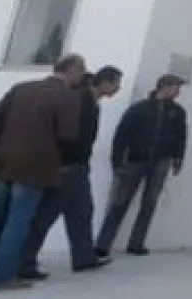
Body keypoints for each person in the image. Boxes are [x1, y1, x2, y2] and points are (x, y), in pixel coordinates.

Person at [0, 54, 86, 291]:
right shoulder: (69, 98)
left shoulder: (20, 88)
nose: (81, 78)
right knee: (17, 222)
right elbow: (68, 137)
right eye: (81, 72)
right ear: (72, 70)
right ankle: (1, 278)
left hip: (0, 164)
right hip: (34, 169)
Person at [16, 65, 122, 280]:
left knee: (82, 212)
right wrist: (61, 162)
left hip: (79, 167)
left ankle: (83, 257)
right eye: (116, 84)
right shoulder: (79, 100)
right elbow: (67, 134)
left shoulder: (91, 102)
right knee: (46, 215)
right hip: (67, 167)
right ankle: (24, 262)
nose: (117, 89)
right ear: (106, 82)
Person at [95, 74, 189, 257]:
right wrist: (117, 161)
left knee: (150, 203)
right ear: (165, 87)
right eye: (176, 87)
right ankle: (103, 243)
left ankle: (136, 242)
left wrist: (178, 158)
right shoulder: (139, 108)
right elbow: (121, 135)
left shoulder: (178, 112)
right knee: (120, 202)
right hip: (135, 161)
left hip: (161, 161)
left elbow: (181, 137)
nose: (178, 92)